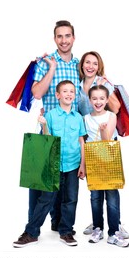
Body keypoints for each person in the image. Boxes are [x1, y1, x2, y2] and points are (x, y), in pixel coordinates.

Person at [29, 20, 80, 233]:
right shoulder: (45, 63)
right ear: (55, 39)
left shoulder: (78, 65)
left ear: (73, 38)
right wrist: (52, 68)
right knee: (43, 183)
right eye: (60, 36)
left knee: (67, 182)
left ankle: (59, 224)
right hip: (49, 130)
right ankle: (32, 228)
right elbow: (37, 93)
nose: (64, 40)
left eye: (67, 36)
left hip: (72, 132)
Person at [78, 51, 129, 239]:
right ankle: (98, 223)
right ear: (82, 65)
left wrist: (104, 85)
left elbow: (115, 108)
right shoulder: (78, 84)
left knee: (111, 188)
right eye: (87, 62)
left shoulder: (103, 82)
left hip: (106, 137)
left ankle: (115, 225)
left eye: (94, 63)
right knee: (96, 191)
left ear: (99, 66)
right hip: (90, 140)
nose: (90, 66)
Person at [38, 80, 86, 246]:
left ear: (75, 95)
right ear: (58, 95)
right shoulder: (50, 115)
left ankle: (66, 231)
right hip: (54, 164)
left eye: (71, 91)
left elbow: (81, 141)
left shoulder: (78, 118)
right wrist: (44, 125)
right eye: (65, 91)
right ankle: (31, 231)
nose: (68, 94)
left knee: (71, 198)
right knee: (46, 199)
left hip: (73, 164)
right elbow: (47, 140)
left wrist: (82, 165)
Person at [84, 85, 129, 247]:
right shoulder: (86, 118)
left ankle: (114, 232)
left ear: (106, 100)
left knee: (111, 197)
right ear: (89, 100)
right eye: (94, 98)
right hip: (92, 161)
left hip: (109, 160)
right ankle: (98, 228)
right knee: (95, 197)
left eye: (102, 98)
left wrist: (103, 131)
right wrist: (83, 165)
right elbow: (83, 142)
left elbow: (106, 141)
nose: (98, 102)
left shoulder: (111, 116)